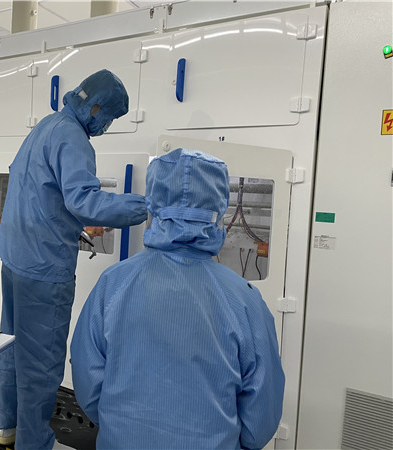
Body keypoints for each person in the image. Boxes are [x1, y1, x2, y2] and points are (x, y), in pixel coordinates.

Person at [70, 149, 285, 449]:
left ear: (154, 205)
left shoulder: (113, 283)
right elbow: (261, 415)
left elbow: (87, 377)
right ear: (218, 211)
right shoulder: (245, 300)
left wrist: (120, 428)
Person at [0, 69, 147, 449]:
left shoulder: (47, 126)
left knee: (12, 348)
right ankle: (33, 443)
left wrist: (69, 226)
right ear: (95, 108)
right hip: (43, 269)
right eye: (109, 117)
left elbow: (42, 193)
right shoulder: (74, 137)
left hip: (14, 257)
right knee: (41, 362)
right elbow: (84, 200)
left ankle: (7, 429)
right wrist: (145, 206)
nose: (107, 125)